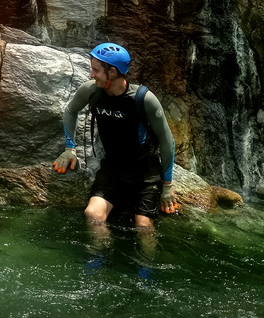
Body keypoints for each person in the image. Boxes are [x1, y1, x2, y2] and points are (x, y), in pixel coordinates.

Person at [52, 42, 178, 232]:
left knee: (143, 226)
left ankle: (145, 262)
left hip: (145, 172)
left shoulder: (144, 99)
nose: (91, 75)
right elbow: (70, 111)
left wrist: (167, 185)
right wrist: (70, 149)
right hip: (113, 168)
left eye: (96, 70)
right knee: (93, 214)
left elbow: (167, 141)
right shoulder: (92, 91)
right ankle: (100, 259)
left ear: (112, 72)